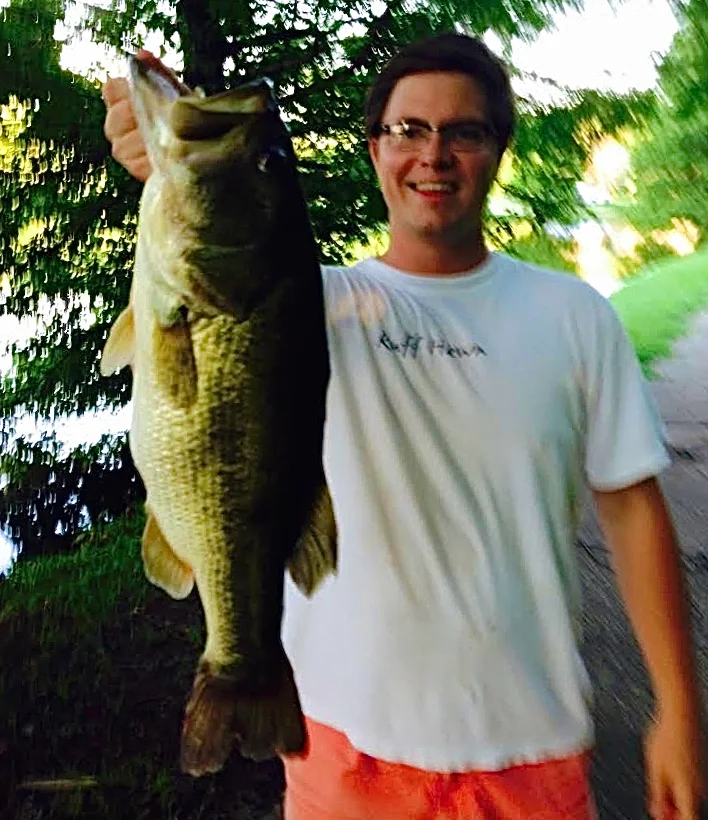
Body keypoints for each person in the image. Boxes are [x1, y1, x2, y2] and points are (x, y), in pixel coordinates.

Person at [103, 33, 705, 820]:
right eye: (409, 130)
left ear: (497, 150)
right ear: (375, 149)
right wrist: (165, 157)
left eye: (465, 131)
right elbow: (226, 274)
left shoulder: (576, 317)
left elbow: (632, 511)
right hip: (341, 752)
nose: (435, 155)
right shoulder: (311, 310)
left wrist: (679, 711)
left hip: (530, 751)